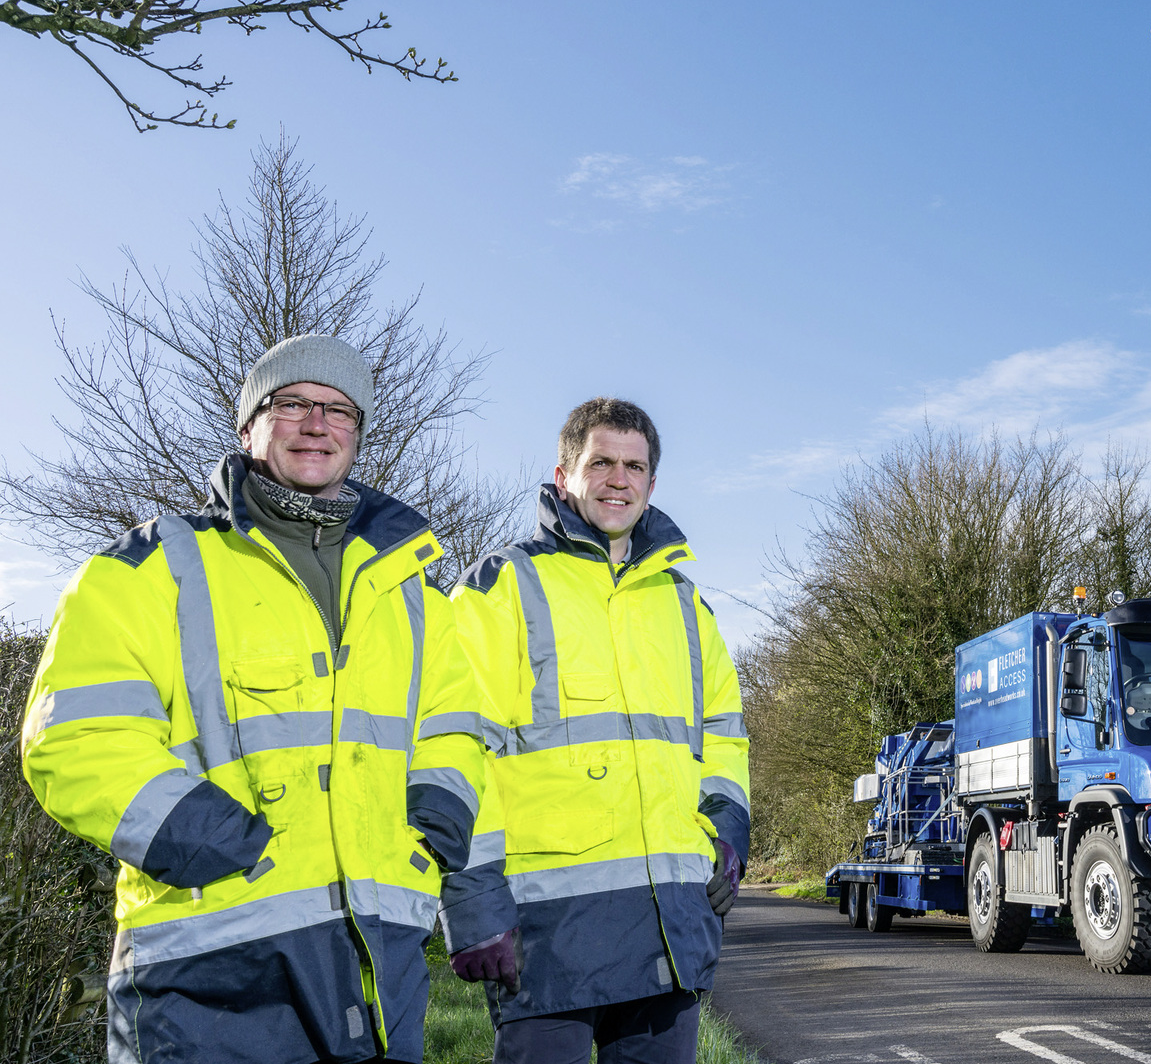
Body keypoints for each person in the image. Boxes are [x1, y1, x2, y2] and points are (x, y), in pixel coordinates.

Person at [21, 334, 515, 1064]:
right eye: (292, 403)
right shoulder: (150, 567)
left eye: (339, 410)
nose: (317, 423)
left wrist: (431, 829)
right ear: (249, 425)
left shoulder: (414, 594)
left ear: (357, 435)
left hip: (381, 965)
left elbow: (456, 729)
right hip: (206, 977)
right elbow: (72, 734)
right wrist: (212, 841)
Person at [446, 397, 749, 1064]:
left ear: (651, 483)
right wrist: (471, 898)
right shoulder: (502, 587)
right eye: (601, 461)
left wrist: (728, 829)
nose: (619, 478)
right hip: (544, 938)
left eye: (634, 465)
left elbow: (724, 733)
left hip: (670, 933)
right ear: (563, 474)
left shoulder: (684, 603)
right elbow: (453, 748)